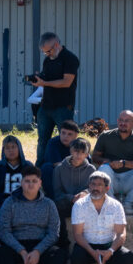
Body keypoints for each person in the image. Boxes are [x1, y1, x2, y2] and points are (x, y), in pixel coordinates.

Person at [0, 166, 66, 264]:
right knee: (0, 253)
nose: (31, 184)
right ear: (21, 183)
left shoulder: (49, 204)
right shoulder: (10, 202)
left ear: (40, 183)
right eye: (27, 181)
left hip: (41, 245)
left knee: (60, 254)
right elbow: (3, 231)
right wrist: (21, 251)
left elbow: (53, 233)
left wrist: (37, 251)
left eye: (34, 181)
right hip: (17, 245)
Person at [69, 171, 133, 264]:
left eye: (99, 185)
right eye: (92, 184)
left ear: (107, 188)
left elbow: (121, 233)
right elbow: (78, 235)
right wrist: (92, 252)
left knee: (128, 256)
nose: (95, 188)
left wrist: (110, 251)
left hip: (109, 247)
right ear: (88, 186)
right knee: (76, 255)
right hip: (87, 247)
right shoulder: (79, 205)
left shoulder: (116, 206)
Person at [30, 33, 79, 165]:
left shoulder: (70, 59)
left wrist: (44, 83)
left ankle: (69, 166)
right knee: (42, 140)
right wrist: (38, 79)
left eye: (48, 51)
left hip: (63, 106)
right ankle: (39, 170)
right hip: (46, 106)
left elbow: (66, 82)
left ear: (56, 45)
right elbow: (47, 77)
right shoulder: (47, 60)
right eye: (44, 52)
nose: (47, 54)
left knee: (67, 139)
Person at [93, 111, 133, 213]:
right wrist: (107, 161)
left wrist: (125, 163)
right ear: (117, 121)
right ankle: (112, 204)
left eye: (127, 121)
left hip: (129, 179)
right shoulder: (105, 136)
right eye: (121, 120)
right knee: (104, 168)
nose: (123, 123)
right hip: (111, 179)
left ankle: (128, 203)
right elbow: (95, 157)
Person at [52, 137, 96, 245]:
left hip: (85, 203)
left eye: (82, 152)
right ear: (71, 151)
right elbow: (57, 192)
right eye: (76, 151)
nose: (78, 155)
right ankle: (62, 242)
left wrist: (85, 193)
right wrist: (71, 198)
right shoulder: (59, 169)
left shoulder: (91, 169)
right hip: (66, 203)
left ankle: (93, 241)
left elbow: (94, 188)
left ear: (87, 154)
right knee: (55, 207)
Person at [0, 135, 32, 221]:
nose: (11, 150)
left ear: (19, 148)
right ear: (3, 151)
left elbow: (34, 187)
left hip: (24, 202)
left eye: (13, 147)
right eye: (7, 148)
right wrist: (4, 201)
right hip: (1, 202)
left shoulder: (27, 166)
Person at [40, 120, 81, 195]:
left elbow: (86, 163)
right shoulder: (53, 142)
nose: (65, 136)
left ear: (76, 136)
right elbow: (56, 164)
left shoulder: (81, 144)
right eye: (63, 133)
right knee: (46, 168)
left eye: (69, 134)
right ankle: (53, 198)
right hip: (58, 173)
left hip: (77, 174)